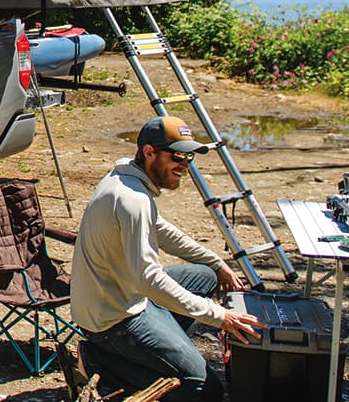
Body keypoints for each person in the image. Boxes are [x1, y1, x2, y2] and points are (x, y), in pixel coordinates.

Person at [69, 116, 266, 400]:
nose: (185, 165)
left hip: (121, 296)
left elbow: (162, 230)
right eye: (177, 157)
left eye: (189, 157)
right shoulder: (132, 199)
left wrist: (216, 262)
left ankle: (157, 351)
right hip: (114, 320)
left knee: (205, 276)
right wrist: (220, 316)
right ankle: (99, 361)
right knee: (203, 389)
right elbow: (149, 279)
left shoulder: (127, 178)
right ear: (149, 153)